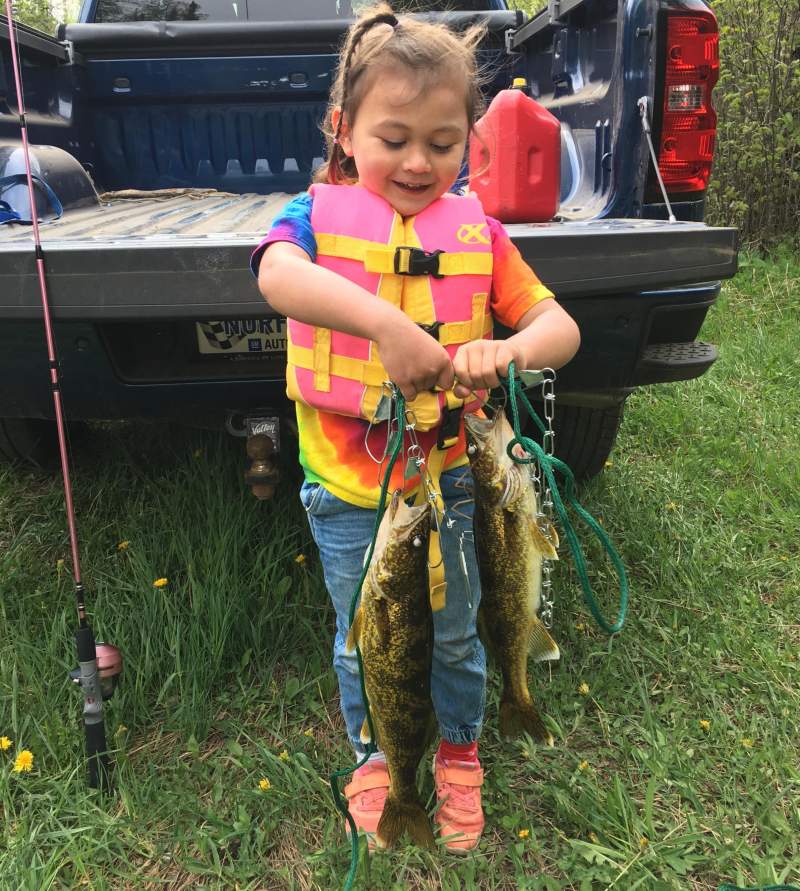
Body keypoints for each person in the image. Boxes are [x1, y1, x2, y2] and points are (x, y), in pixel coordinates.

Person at [252, 3, 580, 853]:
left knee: (461, 627)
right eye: (393, 137)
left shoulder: (482, 234)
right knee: (366, 641)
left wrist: (503, 350)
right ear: (343, 129)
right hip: (347, 494)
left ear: (471, 140)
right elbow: (276, 275)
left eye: (443, 142)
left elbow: (561, 328)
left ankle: (462, 752)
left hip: (452, 486)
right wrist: (385, 326)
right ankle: (378, 755)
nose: (416, 161)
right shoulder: (310, 219)